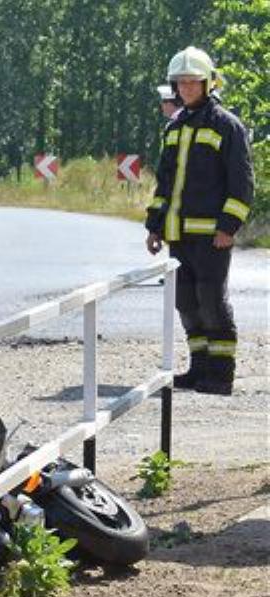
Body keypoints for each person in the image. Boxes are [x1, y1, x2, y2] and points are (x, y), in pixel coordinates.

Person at [145, 46, 253, 396]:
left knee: (211, 299)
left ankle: (221, 375)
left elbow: (242, 182)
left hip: (212, 237)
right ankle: (199, 368)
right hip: (178, 235)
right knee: (186, 302)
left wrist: (228, 226)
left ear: (208, 83)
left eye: (194, 82)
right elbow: (164, 182)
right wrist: (155, 226)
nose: (187, 88)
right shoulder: (175, 127)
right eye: (182, 83)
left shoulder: (227, 125)